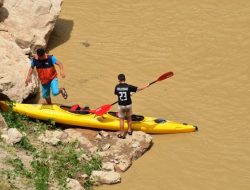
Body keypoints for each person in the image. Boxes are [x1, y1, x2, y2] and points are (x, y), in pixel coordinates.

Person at [114, 74, 149, 139]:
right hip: (128, 105)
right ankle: (129, 131)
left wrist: (127, 94)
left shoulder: (117, 87)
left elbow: (117, 94)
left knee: (121, 120)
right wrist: (146, 86)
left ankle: (122, 134)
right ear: (125, 79)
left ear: (119, 80)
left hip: (121, 105)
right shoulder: (128, 86)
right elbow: (139, 88)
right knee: (129, 118)